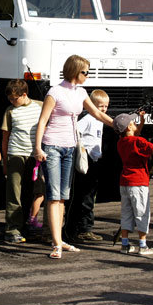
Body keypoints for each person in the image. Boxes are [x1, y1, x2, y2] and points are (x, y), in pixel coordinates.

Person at [34, 54, 112, 259]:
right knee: (53, 196)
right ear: (75, 71)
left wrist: (119, 124)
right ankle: (57, 243)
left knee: (63, 197)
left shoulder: (81, 92)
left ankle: (58, 240)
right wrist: (38, 148)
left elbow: (97, 113)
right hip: (52, 146)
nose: (88, 75)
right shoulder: (55, 92)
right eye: (85, 72)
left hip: (70, 148)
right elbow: (42, 121)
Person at [115, 113, 153, 256]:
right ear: (129, 126)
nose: (134, 123)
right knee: (141, 213)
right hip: (138, 182)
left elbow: (134, 134)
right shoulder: (138, 142)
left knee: (126, 213)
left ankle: (125, 244)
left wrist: (142, 121)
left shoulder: (121, 142)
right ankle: (143, 245)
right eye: (132, 122)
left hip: (125, 182)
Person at [1, 79, 43, 244]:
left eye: (14, 99)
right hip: (16, 154)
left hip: (34, 156)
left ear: (24, 95)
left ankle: (27, 223)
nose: (12, 102)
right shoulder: (10, 111)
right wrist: (5, 162)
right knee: (14, 193)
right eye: (10, 99)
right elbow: (5, 138)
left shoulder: (39, 106)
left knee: (33, 190)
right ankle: (12, 229)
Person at [65, 89, 109, 243]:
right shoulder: (89, 119)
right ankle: (80, 228)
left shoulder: (100, 120)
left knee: (90, 195)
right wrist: (81, 147)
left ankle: (84, 227)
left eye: (105, 106)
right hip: (87, 160)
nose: (103, 109)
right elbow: (76, 130)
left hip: (95, 160)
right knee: (84, 196)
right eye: (100, 106)